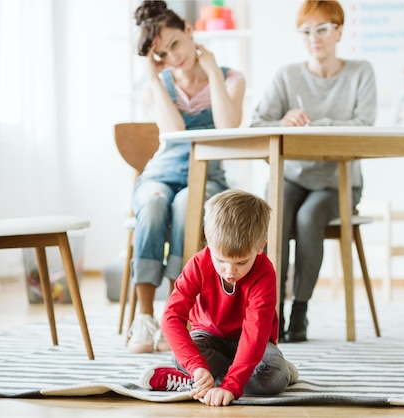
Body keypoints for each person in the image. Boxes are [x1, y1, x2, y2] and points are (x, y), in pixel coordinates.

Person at [249, 0, 377, 343]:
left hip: (338, 183)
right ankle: (269, 311)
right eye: (305, 31)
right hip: (291, 177)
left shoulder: (360, 72)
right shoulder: (287, 75)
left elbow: (364, 125)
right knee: (273, 217)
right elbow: (257, 124)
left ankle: (300, 311)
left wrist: (316, 124)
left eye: (321, 29)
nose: (313, 38)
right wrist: (283, 121)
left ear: (338, 30)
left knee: (309, 218)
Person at [128, 0, 245, 354]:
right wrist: (153, 74)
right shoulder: (156, 83)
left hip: (208, 177)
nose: (173, 56)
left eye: (176, 43)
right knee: (152, 203)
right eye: (162, 52)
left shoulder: (230, 77)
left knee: (186, 208)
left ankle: (174, 314)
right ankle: (145, 317)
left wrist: (211, 71)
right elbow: (174, 128)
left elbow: (228, 125)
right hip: (162, 173)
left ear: (190, 32)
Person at [139, 189, 299, 407]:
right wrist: (197, 366)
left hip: (253, 342)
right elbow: (171, 318)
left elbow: (255, 332)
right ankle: (203, 378)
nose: (230, 271)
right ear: (207, 239)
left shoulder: (264, 272)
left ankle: (201, 383)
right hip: (209, 338)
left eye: (242, 262)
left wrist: (232, 386)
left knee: (271, 375)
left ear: (260, 247)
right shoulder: (198, 264)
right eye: (221, 260)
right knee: (181, 356)